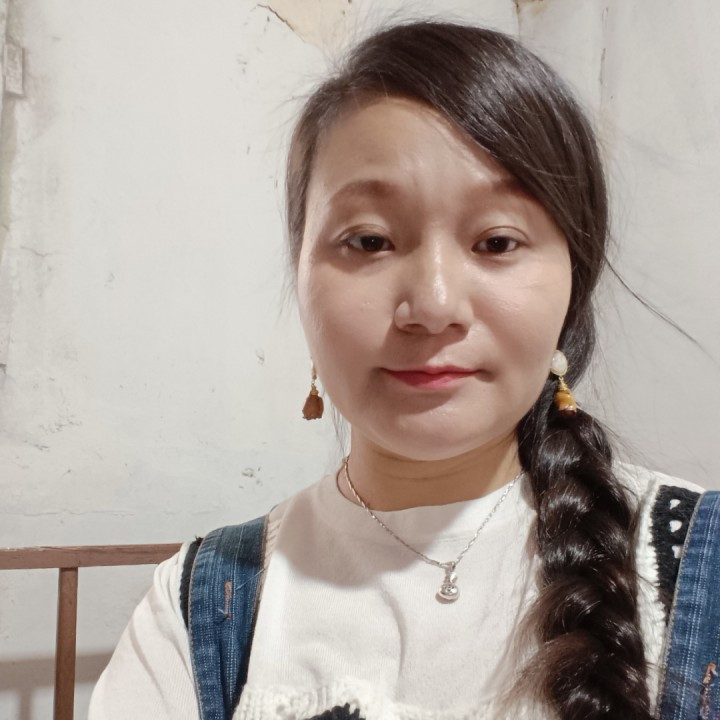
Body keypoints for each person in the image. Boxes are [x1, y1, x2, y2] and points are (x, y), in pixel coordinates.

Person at [89, 21, 712, 720]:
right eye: (369, 240)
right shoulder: (201, 608)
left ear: (574, 282)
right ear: (301, 275)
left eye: (497, 241)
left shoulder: (699, 565)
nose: (434, 306)